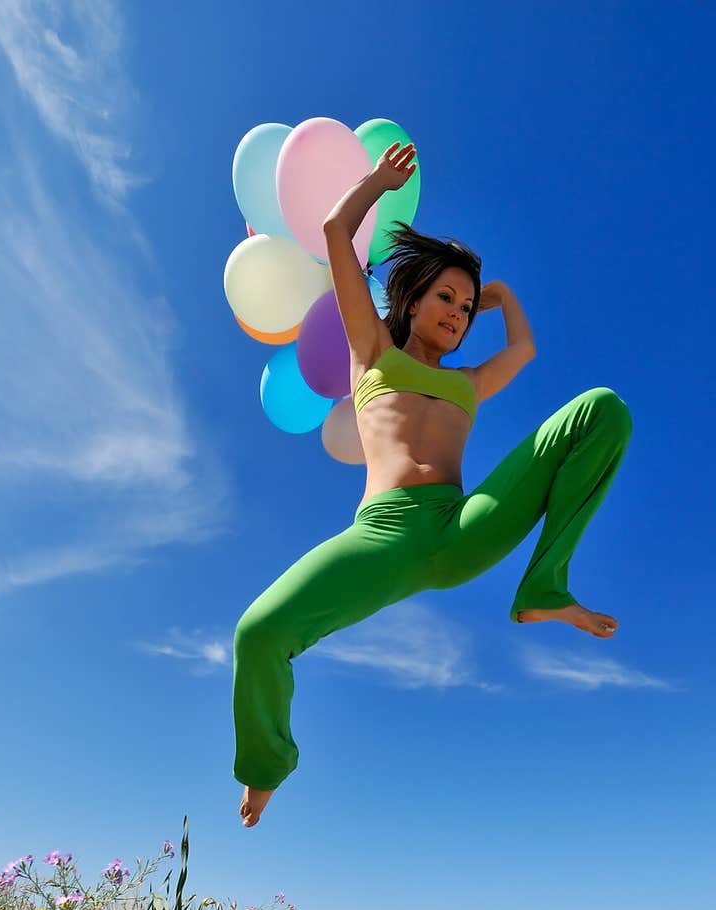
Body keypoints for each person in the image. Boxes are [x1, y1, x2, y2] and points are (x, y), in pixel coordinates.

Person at [234, 141, 632, 827]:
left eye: (466, 304)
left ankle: (544, 586)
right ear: (413, 300)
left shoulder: (467, 382)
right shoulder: (372, 353)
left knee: (602, 410)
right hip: (383, 536)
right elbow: (334, 232)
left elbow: (525, 351)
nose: (457, 309)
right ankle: (266, 769)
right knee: (259, 631)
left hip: (460, 526)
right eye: (446, 296)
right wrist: (377, 184)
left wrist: (501, 297)